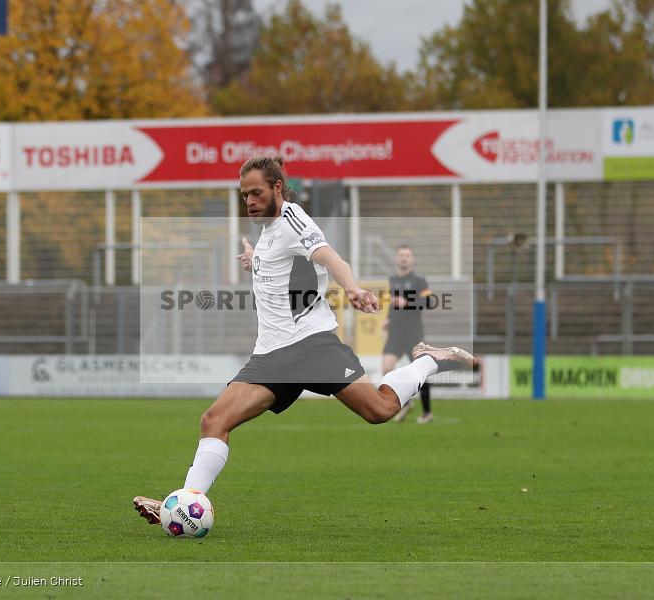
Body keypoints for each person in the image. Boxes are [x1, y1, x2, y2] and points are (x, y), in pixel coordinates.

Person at [133, 156, 477, 525]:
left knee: (380, 411)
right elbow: (281, 264)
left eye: (256, 193)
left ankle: (429, 359)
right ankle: (185, 502)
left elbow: (330, 257)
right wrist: (255, 261)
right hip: (270, 357)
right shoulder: (266, 232)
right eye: (244, 194)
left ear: (277, 188)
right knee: (213, 420)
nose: (248, 201)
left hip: (312, 346)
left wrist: (353, 288)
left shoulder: (293, 218)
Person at [383, 245, 435, 424]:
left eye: (407, 256)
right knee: (387, 367)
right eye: (400, 255)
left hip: (414, 332)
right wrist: (388, 319)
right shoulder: (393, 280)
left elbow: (429, 302)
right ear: (396, 259)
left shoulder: (420, 281)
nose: (403, 258)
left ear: (412, 260)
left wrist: (408, 302)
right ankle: (404, 403)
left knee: (421, 372)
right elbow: (393, 304)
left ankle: (427, 412)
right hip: (396, 332)